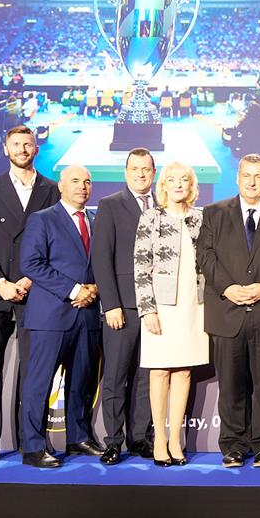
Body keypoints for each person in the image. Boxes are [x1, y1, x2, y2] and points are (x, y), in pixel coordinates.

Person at [196, 153, 260, 468]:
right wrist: (228, 288)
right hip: (228, 312)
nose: (252, 182)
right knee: (231, 386)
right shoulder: (214, 213)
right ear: (238, 178)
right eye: (247, 175)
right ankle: (234, 445)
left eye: (258, 176)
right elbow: (206, 255)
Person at [0, 125, 59, 463]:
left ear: (36, 149)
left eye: (27, 144)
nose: (22, 149)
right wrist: (0, 282)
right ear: (5, 150)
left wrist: (30, 279)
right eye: (16, 144)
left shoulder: (52, 190)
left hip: (36, 290)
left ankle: (32, 444)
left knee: (35, 370)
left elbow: (56, 242)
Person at [17, 165, 102, 468]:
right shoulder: (42, 219)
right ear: (61, 186)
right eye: (75, 181)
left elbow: (101, 264)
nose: (82, 186)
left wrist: (95, 288)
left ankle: (78, 438)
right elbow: (31, 263)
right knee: (40, 384)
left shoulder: (96, 220)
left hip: (88, 316)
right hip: (51, 317)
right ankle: (33, 447)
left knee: (82, 381)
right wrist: (74, 290)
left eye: (87, 182)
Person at [134, 162, 208, 467]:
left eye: (184, 180)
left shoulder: (201, 217)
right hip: (161, 307)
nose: (178, 184)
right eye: (172, 180)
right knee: (160, 371)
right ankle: (159, 440)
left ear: (191, 185)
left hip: (194, 305)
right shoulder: (151, 217)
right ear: (163, 185)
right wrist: (147, 309)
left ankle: (176, 440)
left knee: (184, 371)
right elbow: (141, 266)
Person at [89, 148, 157, 464]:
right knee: (116, 376)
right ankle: (114, 441)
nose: (141, 174)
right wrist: (111, 304)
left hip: (156, 309)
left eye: (146, 169)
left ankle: (140, 438)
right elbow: (101, 258)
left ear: (153, 172)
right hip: (123, 307)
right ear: (126, 172)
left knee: (146, 376)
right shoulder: (110, 205)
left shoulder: (163, 205)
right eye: (135, 169)